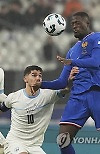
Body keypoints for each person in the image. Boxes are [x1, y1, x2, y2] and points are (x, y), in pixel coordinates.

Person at [0, 65, 71, 154]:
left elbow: (65, 90)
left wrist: (70, 80)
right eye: (33, 75)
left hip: (35, 146)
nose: (38, 78)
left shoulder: (49, 95)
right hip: (15, 142)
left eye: (40, 76)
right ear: (25, 79)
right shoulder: (14, 97)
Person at [41, 12, 100, 154]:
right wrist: (39, 84)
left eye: (78, 23)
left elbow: (96, 62)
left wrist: (72, 62)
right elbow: (61, 82)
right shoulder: (72, 51)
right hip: (77, 98)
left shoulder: (97, 38)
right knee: (63, 140)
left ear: (87, 23)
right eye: (72, 24)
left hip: (96, 93)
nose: (74, 26)